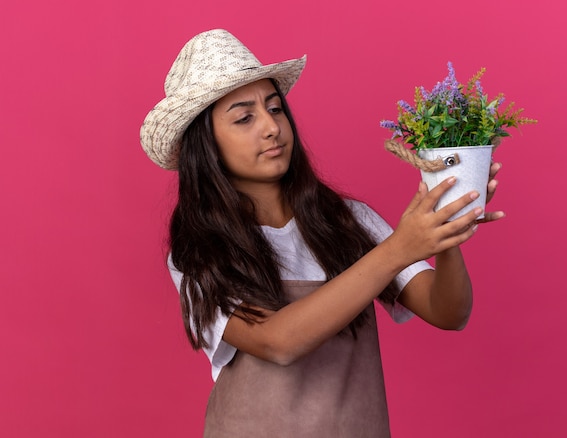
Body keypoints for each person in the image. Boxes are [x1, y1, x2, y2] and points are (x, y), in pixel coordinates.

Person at [140, 29, 504, 438]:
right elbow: (279, 342)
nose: (271, 127)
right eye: (244, 117)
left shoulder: (348, 221)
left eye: (275, 109)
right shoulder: (198, 249)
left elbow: (449, 312)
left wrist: (446, 231)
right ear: (206, 146)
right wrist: (398, 249)